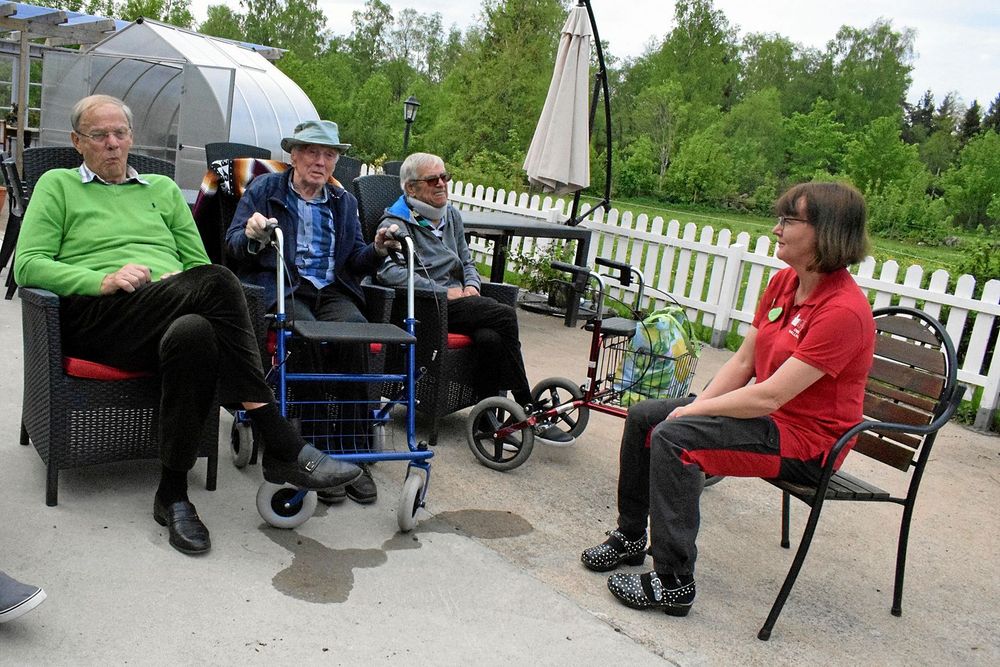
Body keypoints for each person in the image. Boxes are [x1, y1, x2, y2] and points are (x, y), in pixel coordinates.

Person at [14, 94, 362, 556]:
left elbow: (196, 262)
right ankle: (279, 439)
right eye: (100, 135)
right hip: (99, 316)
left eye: (120, 133)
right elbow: (28, 266)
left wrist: (176, 282)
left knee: (197, 333)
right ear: (79, 142)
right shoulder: (57, 185)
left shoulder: (159, 189)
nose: (113, 144)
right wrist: (102, 279)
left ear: (132, 137)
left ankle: (172, 495)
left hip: (164, 309)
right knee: (219, 282)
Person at [581, 182, 875, 616]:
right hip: (770, 419)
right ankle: (629, 537)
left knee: (676, 438)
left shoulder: (843, 312)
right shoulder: (783, 284)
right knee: (647, 415)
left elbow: (771, 395)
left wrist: (690, 413)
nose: (776, 229)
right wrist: (687, 405)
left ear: (826, 231)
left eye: (788, 221)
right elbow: (742, 363)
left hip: (808, 444)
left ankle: (673, 582)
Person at [225, 120, 399, 506]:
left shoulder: (343, 202)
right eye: (313, 152)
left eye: (329, 155)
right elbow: (232, 246)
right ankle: (317, 453)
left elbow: (354, 261)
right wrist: (253, 236)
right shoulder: (265, 189)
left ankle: (352, 451)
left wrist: (377, 250)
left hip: (331, 289)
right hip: (286, 285)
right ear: (295, 155)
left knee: (355, 333)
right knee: (303, 338)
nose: (321, 161)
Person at [375, 152, 571, 445]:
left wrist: (472, 286)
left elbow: (467, 262)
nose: (442, 184)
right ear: (411, 188)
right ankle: (526, 407)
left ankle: (489, 420)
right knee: (504, 315)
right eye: (433, 179)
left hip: (463, 301)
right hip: (430, 307)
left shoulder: (450, 215)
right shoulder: (395, 224)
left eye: (445, 177)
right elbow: (389, 274)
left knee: (491, 338)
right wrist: (441, 291)